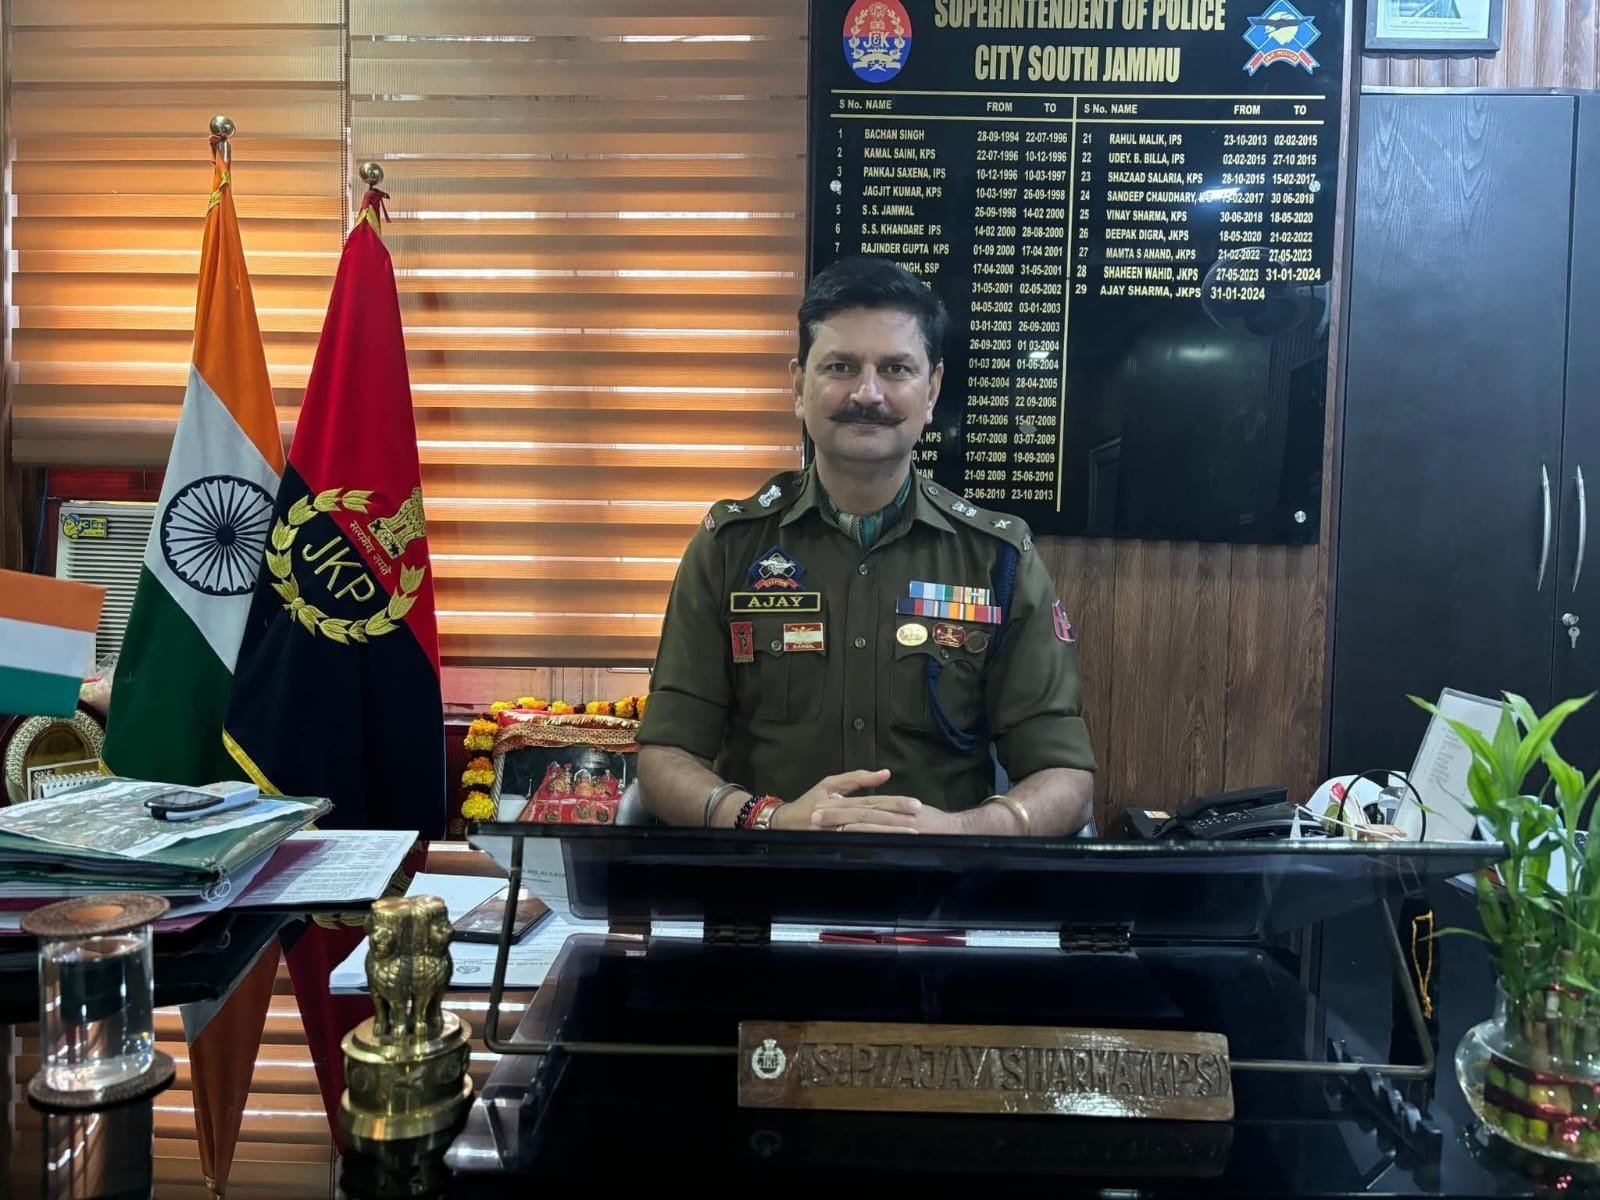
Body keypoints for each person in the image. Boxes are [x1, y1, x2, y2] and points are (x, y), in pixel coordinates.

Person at [637, 256, 1095, 835]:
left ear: (932, 391)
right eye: (841, 366)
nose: (868, 393)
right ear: (799, 387)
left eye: (896, 369)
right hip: (769, 874)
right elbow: (664, 758)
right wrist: (769, 820)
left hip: (941, 880)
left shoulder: (996, 558)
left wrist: (960, 833)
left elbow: (1065, 775)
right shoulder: (730, 548)